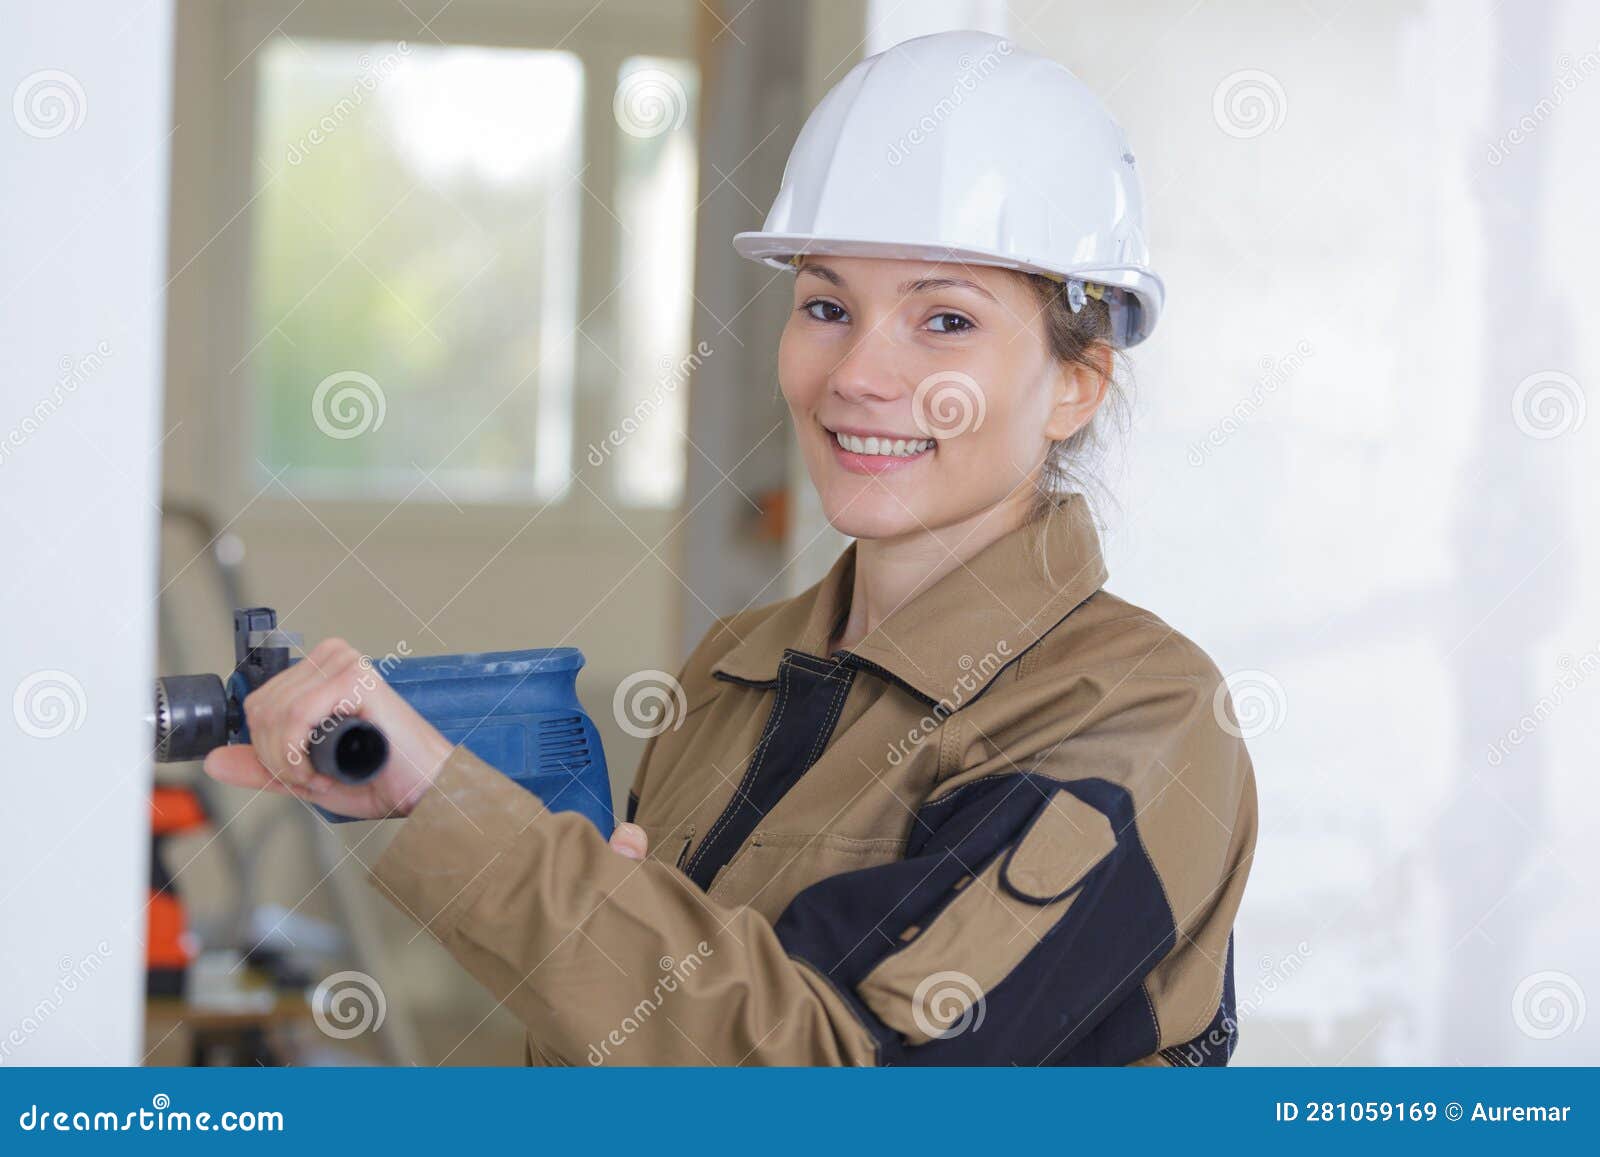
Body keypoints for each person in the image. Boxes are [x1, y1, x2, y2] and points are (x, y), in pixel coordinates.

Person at [204, 29, 1257, 1067]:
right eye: (827, 305)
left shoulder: (1135, 714)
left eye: (944, 321)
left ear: (1076, 382)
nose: (858, 374)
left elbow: (844, 1080)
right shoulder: (735, 667)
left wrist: (446, 804)